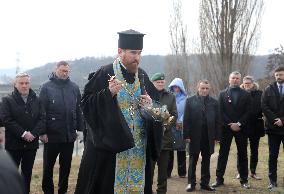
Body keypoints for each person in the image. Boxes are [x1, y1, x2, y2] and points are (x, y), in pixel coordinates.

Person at [75, 29, 163, 194]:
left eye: (139, 53)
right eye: (133, 53)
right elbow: (86, 105)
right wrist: (107, 94)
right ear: (120, 51)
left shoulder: (142, 76)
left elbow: (157, 112)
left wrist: (151, 107)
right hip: (111, 151)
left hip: (138, 150)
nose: (137, 57)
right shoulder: (105, 73)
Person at [39, 61, 83, 194]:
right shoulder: (46, 87)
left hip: (68, 136)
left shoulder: (74, 87)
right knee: (48, 167)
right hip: (51, 135)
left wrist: (80, 130)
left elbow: (78, 109)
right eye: (62, 70)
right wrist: (42, 132)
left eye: (67, 71)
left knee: (66, 167)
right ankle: (48, 191)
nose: (65, 73)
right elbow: (41, 111)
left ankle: (62, 191)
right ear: (56, 69)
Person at [0, 72, 45, 193]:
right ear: (15, 84)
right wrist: (24, 133)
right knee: (11, 175)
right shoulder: (7, 100)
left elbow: (42, 119)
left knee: (27, 174)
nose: (24, 85)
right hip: (14, 144)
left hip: (31, 145)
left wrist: (34, 134)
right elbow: (7, 119)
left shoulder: (37, 99)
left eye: (27, 83)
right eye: (21, 83)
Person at [212, 71, 251, 189]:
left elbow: (248, 112)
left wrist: (239, 123)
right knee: (223, 154)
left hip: (241, 129)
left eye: (237, 78)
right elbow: (220, 111)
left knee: (243, 154)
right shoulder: (222, 94)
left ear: (240, 80)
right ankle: (219, 179)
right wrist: (230, 124)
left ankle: (244, 180)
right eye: (233, 78)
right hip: (226, 128)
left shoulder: (246, 94)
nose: (235, 80)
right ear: (229, 80)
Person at [183, 80, 219, 192]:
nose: (204, 90)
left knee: (206, 160)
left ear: (209, 89)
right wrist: (186, 135)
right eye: (202, 88)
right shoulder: (190, 101)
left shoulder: (214, 102)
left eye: (207, 88)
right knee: (193, 160)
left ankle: (205, 183)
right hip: (194, 136)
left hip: (208, 136)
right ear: (198, 88)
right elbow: (186, 120)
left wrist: (217, 136)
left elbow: (218, 120)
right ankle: (191, 183)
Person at [150, 72, 177, 194]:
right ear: (153, 83)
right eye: (158, 82)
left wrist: (166, 127)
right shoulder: (147, 95)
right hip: (150, 141)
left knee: (163, 172)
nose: (160, 84)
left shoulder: (170, 96)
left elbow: (174, 115)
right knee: (148, 170)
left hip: (165, 140)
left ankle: (161, 191)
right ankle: (147, 190)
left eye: (162, 82)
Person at [235, 76, 264, 180]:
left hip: (256, 125)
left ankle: (253, 171)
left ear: (253, 84)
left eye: (249, 83)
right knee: (241, 150)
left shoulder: (260, 94)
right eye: (245, 83)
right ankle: (241, 171)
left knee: (254, 150)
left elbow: (262, 107)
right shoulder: (239, 93)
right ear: (242, 83)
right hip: (243, 126)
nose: (247, 85)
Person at [261, 66, 284, 190]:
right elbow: (264, 106)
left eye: (281, 75)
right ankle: (272, 181)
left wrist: (283, 120)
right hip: (273, 128)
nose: (278, 77)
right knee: (272, 155)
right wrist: (276, 119)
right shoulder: (269, 89)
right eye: (277, 75)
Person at [167, 78, 187, 178]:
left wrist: (181, 121)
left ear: (181, 87)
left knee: (181, 150)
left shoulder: (186, 99)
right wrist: (172, 120)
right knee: (169, 149)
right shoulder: (169, 97)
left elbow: (187, 111)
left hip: (181, 127)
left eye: (178, 86)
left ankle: (182, 172)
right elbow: (166, 111)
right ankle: (168, 172)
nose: (176, 88)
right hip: (170, 126)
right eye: (174, 86)